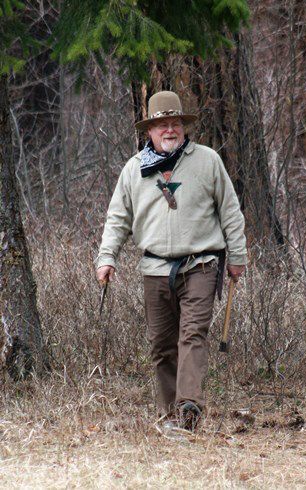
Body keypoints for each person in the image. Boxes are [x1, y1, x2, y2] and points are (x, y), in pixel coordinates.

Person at [95, 90, 247, 430]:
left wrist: (237, 256)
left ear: (183, 127)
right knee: (162, 344)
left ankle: (189, 408)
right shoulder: (134, 170)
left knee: (193, 335)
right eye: (162, 124)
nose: (169, 130)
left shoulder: (207, 161)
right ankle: (168, 416)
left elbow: (231, 212)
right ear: (149, 131)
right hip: (154, 267)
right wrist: (107, 257)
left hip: (201, 264)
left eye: (175, 123)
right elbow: (117, 218)